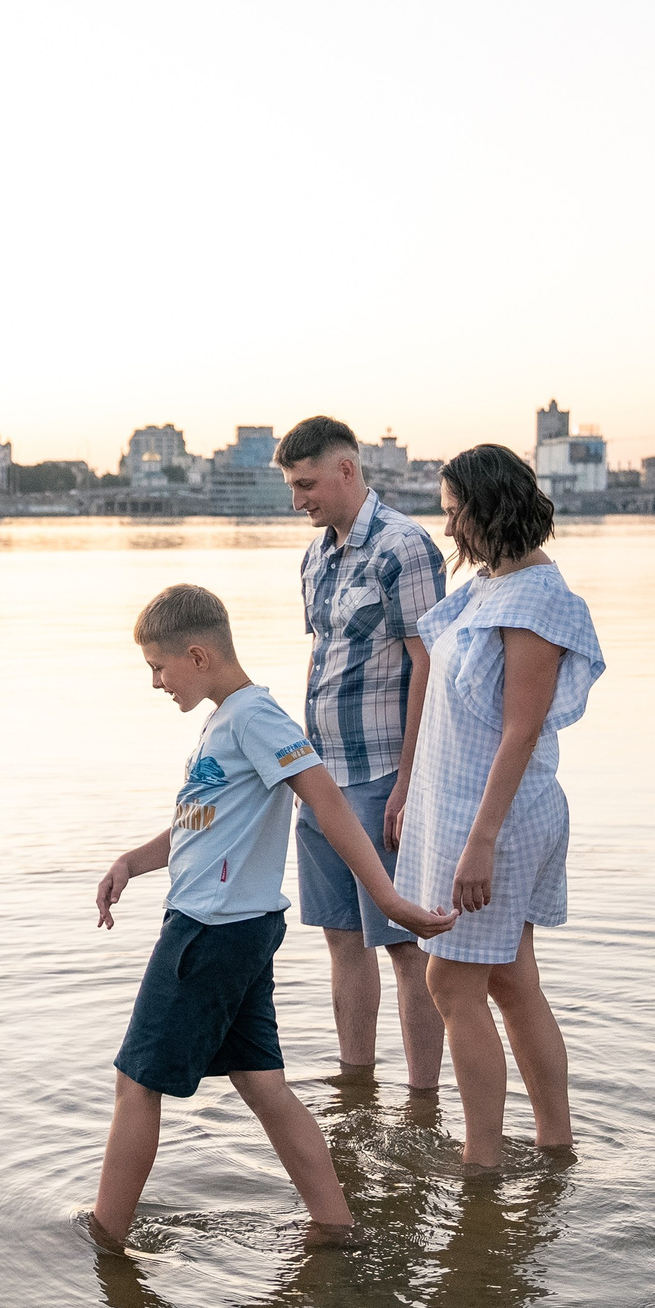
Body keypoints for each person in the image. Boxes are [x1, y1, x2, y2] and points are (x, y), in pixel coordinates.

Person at [90, 584, 453, 1250]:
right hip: (240, 926)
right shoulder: (225, 718)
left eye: (159, 667)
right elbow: (198, 824)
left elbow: (328, 802)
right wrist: (132, 862)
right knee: (262, 1085)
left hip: (210, 930)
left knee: (136, 1082)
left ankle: (103, 1239)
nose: (154, 682)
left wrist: (389, 899)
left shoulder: (254, 716)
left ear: (197, 654)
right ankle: (336, 1227)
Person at [396, 445, 605, 1171]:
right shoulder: (496, 582)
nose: (449, 527)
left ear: (490, 506)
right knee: (512, 981)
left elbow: (521, 727)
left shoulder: (537, 598)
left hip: (497, 819)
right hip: (469, 809)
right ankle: (554, 1144)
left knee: (450, 982)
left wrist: (479, 841)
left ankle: (480, 1161)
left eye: (456, 511)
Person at [278, 415, 451, 1094]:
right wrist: (296, 768)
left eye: (306, 484)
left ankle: (423, 1100)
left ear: (345, 469)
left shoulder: (405, 547)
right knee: (340, 937)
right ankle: (356, 1090)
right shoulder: (315, 556)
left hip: (382, 776)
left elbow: (427, 668)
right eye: (293, 488)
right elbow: (322, 661)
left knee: (406, 946)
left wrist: (409, 784)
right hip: (321, 778)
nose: (299, 501)